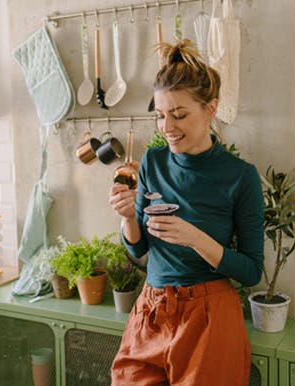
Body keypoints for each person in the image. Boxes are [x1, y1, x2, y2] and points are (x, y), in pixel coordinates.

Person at [108, 39, 264, 386]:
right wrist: (127, 217)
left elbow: (252, 271)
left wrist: (195, 238)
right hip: (152, 310)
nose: (167, 127)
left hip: (208, 317)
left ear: (211, 109)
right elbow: (139, 250)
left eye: (179, 115)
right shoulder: (153, 161)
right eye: (161, 115)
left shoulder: (240, 177)